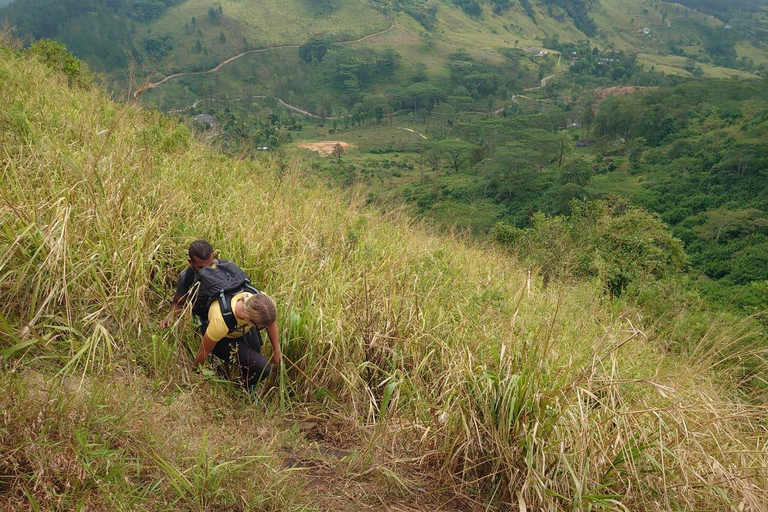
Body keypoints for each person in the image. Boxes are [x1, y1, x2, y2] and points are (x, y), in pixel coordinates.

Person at [160, 240, 281, 390]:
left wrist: (277, 350)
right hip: (221, 330)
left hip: (240, 326)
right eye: (201, 267)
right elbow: (178, 303)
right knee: (261, 365)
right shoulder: (187, 278)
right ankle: (240, 390)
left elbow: (269, 320)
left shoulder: (253, 296)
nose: (207, 271)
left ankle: (243, 388)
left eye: (210, 265)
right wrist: (195, 374)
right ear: (190, 262)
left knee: (253, 362)